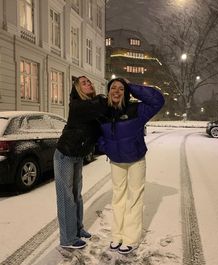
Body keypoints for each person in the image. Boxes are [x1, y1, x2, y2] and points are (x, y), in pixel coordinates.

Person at [98, 78, 165, 254]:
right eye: (113, 88)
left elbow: (158, 100)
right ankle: (117, 235)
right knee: (118, 198)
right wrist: (106, 148)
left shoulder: (137, 109)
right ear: (109, 91)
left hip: (136, 159)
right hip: (116, 161)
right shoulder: (103, 111)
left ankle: (130, 238)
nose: (117, 91)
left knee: (134, 198)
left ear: (126, 92)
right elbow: (97, 133)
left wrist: (132, 87)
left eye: (121, 88)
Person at [54, 76, 105, 249]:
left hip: (77, 156)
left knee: (76, 195)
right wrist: (105, 97)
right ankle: (68, 239)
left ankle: (77, 229)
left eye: (89, 81)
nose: (89, 83)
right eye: (84, 83)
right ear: (77, 89)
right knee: (66, 197)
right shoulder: (77, 106)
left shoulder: (91, 107)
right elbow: (98, 105)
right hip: (64, 155)